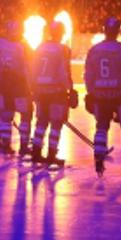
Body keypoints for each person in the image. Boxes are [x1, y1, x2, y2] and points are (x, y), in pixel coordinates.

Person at [85, 17, 121, 176]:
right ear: (119, 30)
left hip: (101, 96)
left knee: (101, 127)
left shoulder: (94, 50)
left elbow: (88, 75)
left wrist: (91, 93)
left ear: (104, 30)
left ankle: (98, 162)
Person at [30, 20, 77, 166]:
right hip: (56, 91)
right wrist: (70, 88)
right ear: (61, 33)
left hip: (40, 89)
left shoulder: (39, 47)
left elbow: (33, 68)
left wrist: (33, 87)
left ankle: (36, 152)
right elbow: (64, 72)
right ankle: (51, 154)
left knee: (41, 122)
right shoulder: (63, 49)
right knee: (56, 123)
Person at [0, 19, 34, 157]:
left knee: (5, 112)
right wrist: (32, 87)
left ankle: (0, 141)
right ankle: (24, 146)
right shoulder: (23, 46)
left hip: (1, 85)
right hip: (19, 86)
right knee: (26, 114)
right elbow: (29, 68)